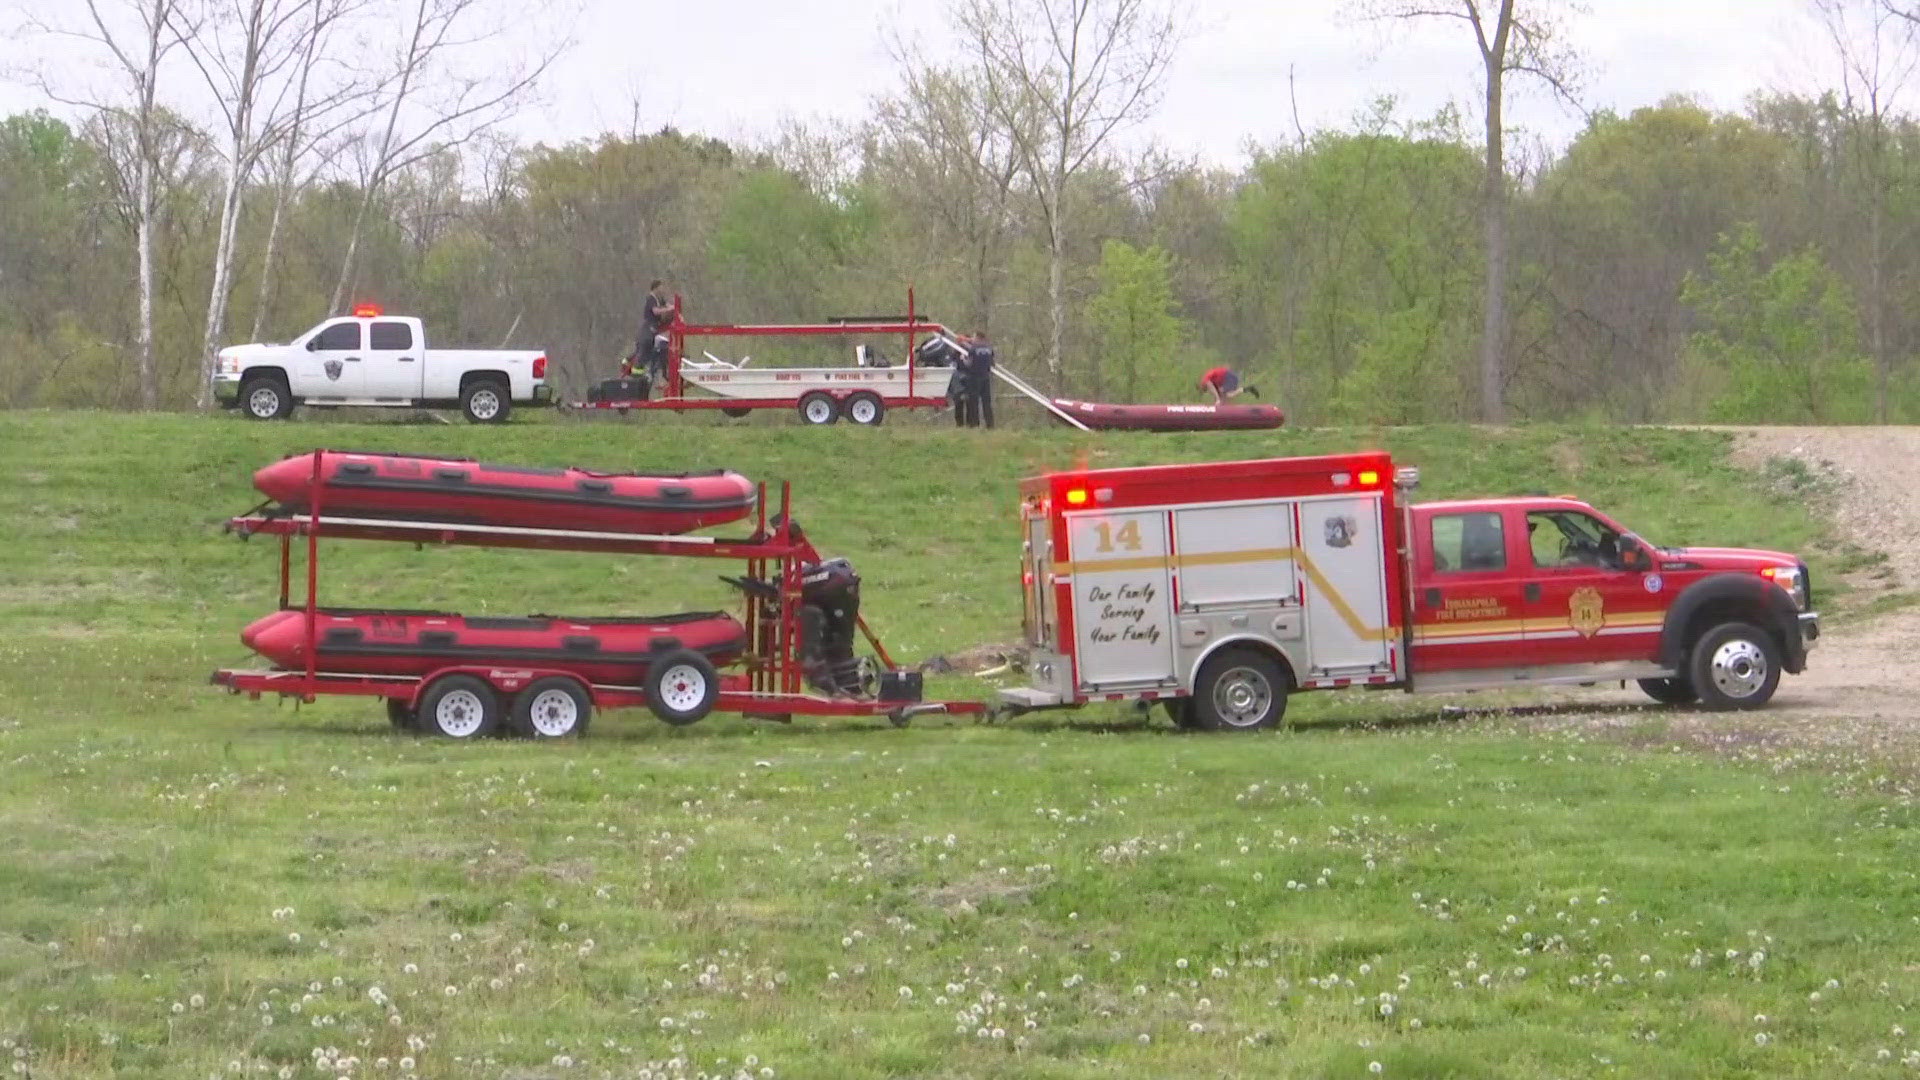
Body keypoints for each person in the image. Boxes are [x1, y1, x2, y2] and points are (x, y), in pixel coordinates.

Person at [632, 279, 676, 385]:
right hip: (648, 328)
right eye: (661, 287)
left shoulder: (659, 299)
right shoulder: (651, 298)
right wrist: (667, 310)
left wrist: (673, 308)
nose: (662, 290)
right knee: (645, 346)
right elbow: (655, 311)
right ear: (655, 287)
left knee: (658, 347)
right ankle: (638, 373)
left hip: (654, 328)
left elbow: (668, 305)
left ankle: (653, 371)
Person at [966, 331, 996, 429]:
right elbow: (992, 363)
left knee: (973, 401)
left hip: (974, 377)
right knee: (986, 402)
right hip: (986, 377)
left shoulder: (973, 349)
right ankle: (990, 424)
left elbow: (969, 363)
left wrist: (964, 361)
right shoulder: (989, 348)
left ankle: (974, 424)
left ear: (978, 337)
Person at [951, 336, 977, 428]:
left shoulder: (972, 351)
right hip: (959, 378)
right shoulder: (955, 352)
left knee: (969, 402)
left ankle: (969, 423)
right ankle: (960, 424)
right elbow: (952, 363)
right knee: (959, 402)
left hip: (969, 377)